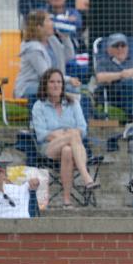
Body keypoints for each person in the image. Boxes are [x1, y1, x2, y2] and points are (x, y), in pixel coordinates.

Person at [30, 69, 97, 209]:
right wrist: (68, 134)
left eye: (59, 82)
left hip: (72, 148)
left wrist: (65, 135)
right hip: (49, 147)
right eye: (52, 82)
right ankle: (86, 177)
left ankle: (67, 201)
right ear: (45, 85)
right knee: (73, 135)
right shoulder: (39, 106)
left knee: (67, 150)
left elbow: (82, 128)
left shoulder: (73, 103)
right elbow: (42, 134)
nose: (56, 85)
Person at [14, 10, 77, 98]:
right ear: (39, 27)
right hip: (29, 87)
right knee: (67, 90)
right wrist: (69, 79)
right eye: (48, 20)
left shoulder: (52, 40)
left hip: (51, 84)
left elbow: (68, 56)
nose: (52, 23)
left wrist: (65, 37)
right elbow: (45, 74)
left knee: (74, 89)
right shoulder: (33, 48)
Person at [94, 32, 133, 115]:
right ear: (109, 49)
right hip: (115, 93)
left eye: (123, 45)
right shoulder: (104, 62)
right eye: (116, 46)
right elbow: (100, 77)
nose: (120, 49)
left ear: (127, 48)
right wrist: (122, 75)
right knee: (129, 83)